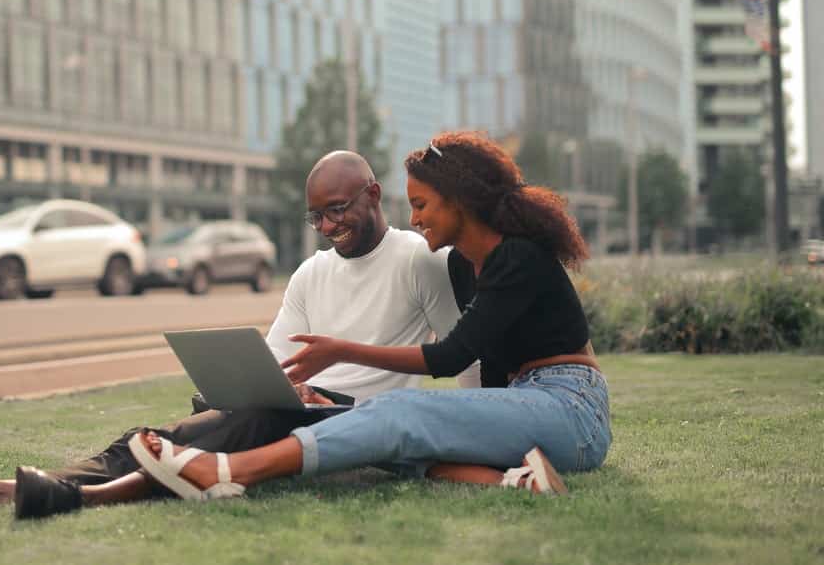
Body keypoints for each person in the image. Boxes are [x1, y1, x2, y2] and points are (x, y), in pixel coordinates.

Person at [0, 151, 480, 517]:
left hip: (359, 426)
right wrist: (287, 390)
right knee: (211, 425)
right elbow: (270, 365)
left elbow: (461, 356)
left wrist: (492, 428)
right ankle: (18, 489)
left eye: (340, 209)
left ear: (375, 195)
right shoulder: (310, 272)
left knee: (219, 430)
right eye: (317, 216)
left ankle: (10, 490)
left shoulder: (416, 259)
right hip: (296, 415)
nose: (328, 226)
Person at [78, 131, 611, 507]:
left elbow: (451, 357)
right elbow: (489, 374)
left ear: (462, 202)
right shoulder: (462, 266)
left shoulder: (516, 257)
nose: (415, 216)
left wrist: (342, 350)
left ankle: (228, 472)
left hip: (570, 405)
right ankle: (513, 484)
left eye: (423, 204)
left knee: (401, 414)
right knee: (387, 436)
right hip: (530, 405)